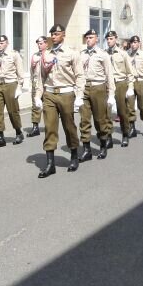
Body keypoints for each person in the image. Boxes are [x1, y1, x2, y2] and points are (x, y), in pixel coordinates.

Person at [33, 24, 86, 177]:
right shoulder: (46, 54)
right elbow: (40, 77)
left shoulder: (72, 53)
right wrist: (37, 96)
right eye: (52, 34)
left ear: (63, 35)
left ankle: (74, 156)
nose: (53, 37)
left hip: (66, 93)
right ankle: (50, 164)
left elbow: (80, 76)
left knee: (69, 126)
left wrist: (79, 95)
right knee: (49, 127)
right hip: (49, 94)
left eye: (56, 34)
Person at [79, 29, 115, 160]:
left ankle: (103, 146)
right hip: (84, 87)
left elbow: (109, 75)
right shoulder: (81, 54)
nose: (88, 39)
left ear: (97, 39)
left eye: (91, 37)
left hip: (98, 87)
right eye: (87, 37)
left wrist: (111, 94)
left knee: (100, 119)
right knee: (84, 120)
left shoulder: (102, 54)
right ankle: (86, 150)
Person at [0, 35, 25, 148]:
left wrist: (19, 87)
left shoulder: (14, 55)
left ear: (7, 43)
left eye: (2, 43)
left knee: (12, 111)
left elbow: (20, 72)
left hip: (10, 84)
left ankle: (18, 132)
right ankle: (0, 137)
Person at [106, 30, 135, 147]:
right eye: (107, 39)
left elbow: (130, 72)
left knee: (122, 111)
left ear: (116, 39)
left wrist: (130, 87)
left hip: (120, 83)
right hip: (108, 85)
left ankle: (125, 134)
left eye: (111, 39)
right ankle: (108, 136)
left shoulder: (123, 54)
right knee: (107, 112)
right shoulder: (104, 54)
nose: (109, 41)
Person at [128, 35, 143, 137]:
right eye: (132, 43)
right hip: (130, 82)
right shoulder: (127, 55)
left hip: (141, 81)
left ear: (139, 43)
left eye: (135, 42)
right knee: (130, 105)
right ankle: (132, 127)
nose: (133, 45)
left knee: (142, 106)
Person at [28, 36, 48, 137]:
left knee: (48, 106)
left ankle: (50, 126)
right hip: (36, 84)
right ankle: (35, 127)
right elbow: (32, 71)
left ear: (46, 44)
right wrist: (31, 83)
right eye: (38, 44)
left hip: (47, 84)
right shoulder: (35, 56)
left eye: (41, 43)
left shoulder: (50, 55)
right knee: (35, 106)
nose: (39, 45)